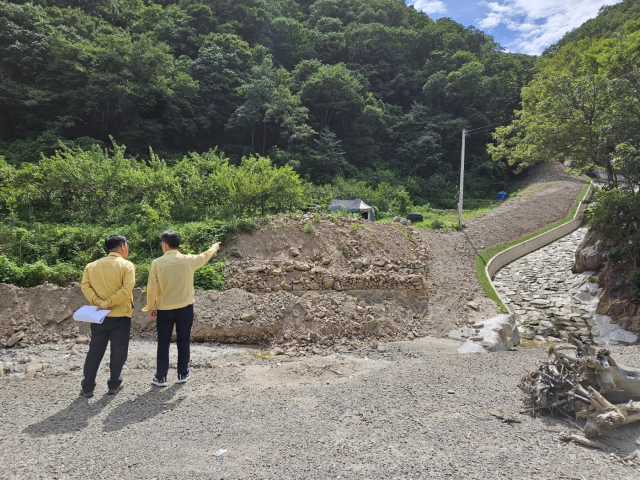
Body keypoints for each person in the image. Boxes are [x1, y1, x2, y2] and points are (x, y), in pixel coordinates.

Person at [144, 230, 220, 387]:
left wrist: (151, 306)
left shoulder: (157, 263)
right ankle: (182, 373)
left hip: (164, 309)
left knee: (163, 342)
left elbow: (152, 287)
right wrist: (214, 247)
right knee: (183, 340)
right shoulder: (189, 260)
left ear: (164, 244)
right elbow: (205, 256)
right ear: (178, 244)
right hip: (185, 307)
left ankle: (161, 377)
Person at [80, 235, 135, 397]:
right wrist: (108, 303)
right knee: (118, 351)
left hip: (98, 315)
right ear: (123, 247)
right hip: (120, 316)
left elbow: (85, 287)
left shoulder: (91, 266)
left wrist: (99, 303)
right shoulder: (127, 266)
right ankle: (113, 384)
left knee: (95, 350)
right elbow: (126, 290)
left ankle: (87, 387)